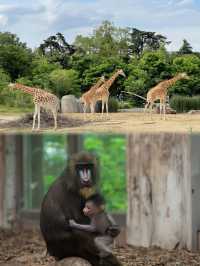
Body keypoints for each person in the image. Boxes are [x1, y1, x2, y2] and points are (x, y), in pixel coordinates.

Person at [69, 193, 120, 261]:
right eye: (85, 207)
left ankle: (107, 253)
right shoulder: (96, 216)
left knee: (97, 241)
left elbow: (92, 228)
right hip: (103, 235)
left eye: (88, 208)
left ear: (99, 208)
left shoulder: (100, 216)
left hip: (107, 236)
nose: (85, 210)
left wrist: (76, 225)